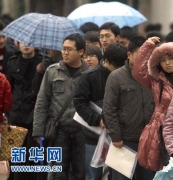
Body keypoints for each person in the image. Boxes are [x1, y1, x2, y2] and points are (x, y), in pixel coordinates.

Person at [33, 33, 88, 180]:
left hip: (82, 131)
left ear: (81, 52)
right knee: (58, 172)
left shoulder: (90, 73)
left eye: (69, 49)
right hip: (59, 130)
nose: (65, 52)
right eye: (63, 48)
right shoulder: (52, 71)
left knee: (80, 172)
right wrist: (38, 130)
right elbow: (42, 102)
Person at [131, 37, 173, 171]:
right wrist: (147, 47)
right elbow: (138, 72)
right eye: (162, 60)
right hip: (161, 127)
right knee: (162, 168)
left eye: (170, 58)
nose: (167, 63)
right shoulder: (156, 80)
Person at [103, 36, 155, 179]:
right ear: (129, 55)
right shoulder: (116, 77)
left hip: (148, 141)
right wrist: (116, 136)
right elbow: (109, 109)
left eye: (148, 55)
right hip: (124, 142)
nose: (144, 58)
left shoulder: (153, 77)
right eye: (140, 54)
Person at [74, 43, 127, 180]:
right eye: (116, 66)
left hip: (120, 136)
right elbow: (79, 102)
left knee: (119, 175)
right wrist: (97, 119)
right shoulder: (89, 76)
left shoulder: (127, 75)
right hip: (94, 135)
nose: (119, 70)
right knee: (93, 174)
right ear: (106, 61)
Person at [6, 42, 49, 180]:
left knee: (33, 155)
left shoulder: (42, 62)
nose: (26, 46)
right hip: (16, 114)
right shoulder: (13, 61)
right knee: (16, 155)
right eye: (23, 43)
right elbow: (8, 88)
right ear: (17, 43)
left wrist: (40, 71)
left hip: (34, 115)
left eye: (30, 43)